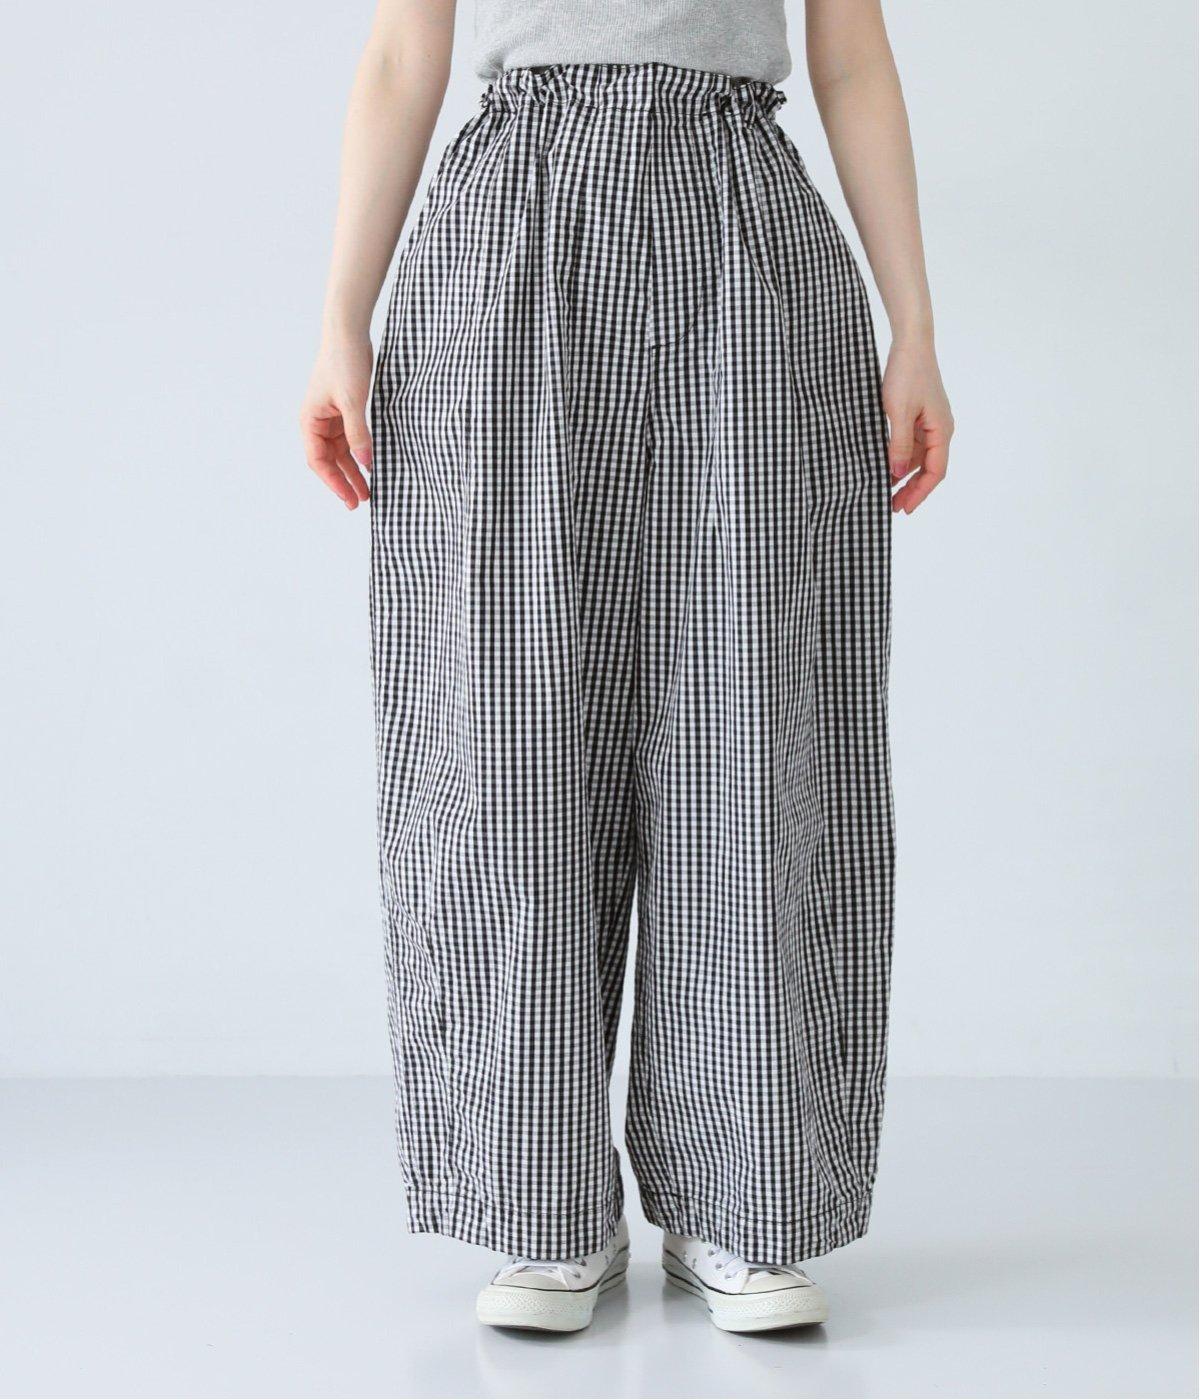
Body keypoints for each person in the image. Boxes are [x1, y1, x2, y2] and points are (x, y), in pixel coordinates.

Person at [301, 0, 952, 1335]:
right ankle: (541, 1205)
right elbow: (404, 53)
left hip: (742, 232)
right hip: (509, 232)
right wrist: (340, 321)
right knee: (508, 732)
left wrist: (915, 329)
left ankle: (745, 1197)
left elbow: (849, 56)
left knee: (756, 720)